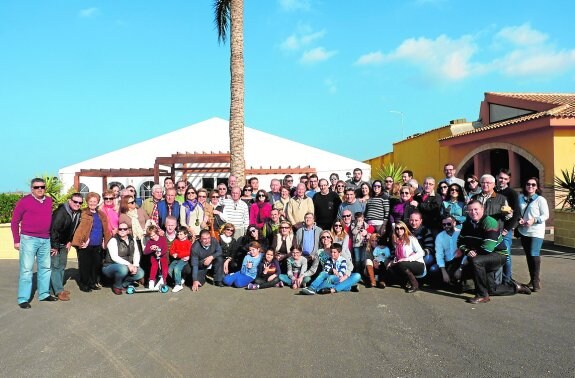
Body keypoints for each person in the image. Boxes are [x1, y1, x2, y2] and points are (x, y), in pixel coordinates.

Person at [458, 200, 531, 304]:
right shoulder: (467, 224)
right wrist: (467, 251)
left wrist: (473, 252)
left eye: (476, 209)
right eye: (470, 210)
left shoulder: (490, 222)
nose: (473, 212)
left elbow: (488, 248)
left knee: (476, 261)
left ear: (482, 209)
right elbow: (459, 242)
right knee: (491, 289)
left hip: (498, 255)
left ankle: (482, 295)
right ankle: (516, 287)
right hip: (483, 255)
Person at [11, 178, 56, 308]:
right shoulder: (24, 202)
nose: (40, 189)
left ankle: (44, 294)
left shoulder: (48, 201)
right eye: (36, 187)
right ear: (32, 189)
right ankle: (23, 299)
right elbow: (14, 222)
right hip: (28, 239)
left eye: (42, 187)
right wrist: (16, 241)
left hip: (45, 239)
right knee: (26, 270)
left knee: (46, 268)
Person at [72, 192, 112, 293]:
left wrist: (104, 240)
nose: (93, 203)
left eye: (95, 201)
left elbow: (105, 229)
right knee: (85, 265)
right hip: (86, 244)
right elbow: (79, 229)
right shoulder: (83, 213)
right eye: (91, 201)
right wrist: (83, 240)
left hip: (98, 243)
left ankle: (93, 282)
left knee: (96, 265)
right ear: (87, 202)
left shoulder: (101, 214)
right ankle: (84, 284)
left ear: (98, 202)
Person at [49, 193, 83, 301]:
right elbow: (54, 229)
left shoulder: (77, 213)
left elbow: (73, 229)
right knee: (55, 266)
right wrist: (54, 246)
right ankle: (59, 291)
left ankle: (55, 289)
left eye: (80, 202)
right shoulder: (61, 212)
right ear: (69, 201)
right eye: (75, 201)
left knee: (62, 265)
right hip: (56, 244)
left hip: (65, 243)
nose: (77, 204)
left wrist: (69, 241)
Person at [517, 177, 549, 292]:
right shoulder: (520, 198)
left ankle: (535, 281)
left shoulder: (540, 200)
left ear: (537, 187)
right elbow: (517, 212)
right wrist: (519, 219)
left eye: (533, 185)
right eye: (528, 184)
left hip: (536, 231)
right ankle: (532, 279)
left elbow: (545, 215)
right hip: (524, 231)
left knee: (534, 253)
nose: (530, 186)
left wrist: (534, 220)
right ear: (525, 185)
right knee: (528, 255)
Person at [102, 222, 145, 295]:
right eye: (120, 229)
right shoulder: (113, 240)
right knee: (123, 269)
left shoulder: (132, 240)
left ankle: (123, 284)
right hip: (110, 266)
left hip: (126, 266)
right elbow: (114, 257)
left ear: (128, 231)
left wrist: (135, 265)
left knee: (140, 273)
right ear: (118, 231)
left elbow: (136, 253)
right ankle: (117, 286)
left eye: (125, 229)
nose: (122, 230)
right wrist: (129, 264)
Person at [385, 221, 425, 293]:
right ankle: (405, 282)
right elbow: (397, 256)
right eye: (397, 228)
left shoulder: (411, 238)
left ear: (405, 229)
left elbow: (421, 252)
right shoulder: (396, 241)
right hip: (403, 263)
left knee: (402, 264)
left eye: (401, 228)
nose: (399, 230)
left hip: (418, 264)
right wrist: (392, 262)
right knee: (389, 266)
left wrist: (407, 259)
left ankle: (415, 285)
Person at [496, 169, 520, 284]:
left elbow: (516, 213)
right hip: (493, 228)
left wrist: (507, 229)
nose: (502, 180)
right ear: (496, 177)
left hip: (505, 230)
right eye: (501, 178)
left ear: (509, 180)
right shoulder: (493, 191)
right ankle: (497, 279)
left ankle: (507, 279)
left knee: (506, 255)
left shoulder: (512, 193)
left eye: (505, 179)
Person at [432, 216, 463, 290]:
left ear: (454, 223)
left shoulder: (460, 233)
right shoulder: (440, 236)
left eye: (449, 224)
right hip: (447, 262)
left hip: (460, 261)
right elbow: (439, 255)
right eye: (444, 224)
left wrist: (461, 268)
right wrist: (443, 272)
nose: (446, 226)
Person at [143, 225, 168, 289]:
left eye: (154, 235)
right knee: (154, 266)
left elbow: (165, 249)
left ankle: (163, 280)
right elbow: (145, 252)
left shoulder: (162, 239)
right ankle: (151, 281)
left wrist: (160, 253)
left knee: (164, 266)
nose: (153, 237)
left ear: (157, 233)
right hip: (154, 257)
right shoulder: (150, 242)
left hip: (163, 256)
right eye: (151, 236)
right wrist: (151, 249)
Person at [168, 226, 192, 293]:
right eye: (178, 234)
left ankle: (178, 285)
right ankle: (178, 280)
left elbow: (189, 252)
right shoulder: (176, 241)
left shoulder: (188, 242)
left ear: (186, 234)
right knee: (169, 270)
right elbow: (172, 250)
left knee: (177, 269)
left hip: (183, 259)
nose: (179, 236)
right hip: (176, 259)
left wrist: (179, 254)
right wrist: (173, 254)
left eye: (181, 234)